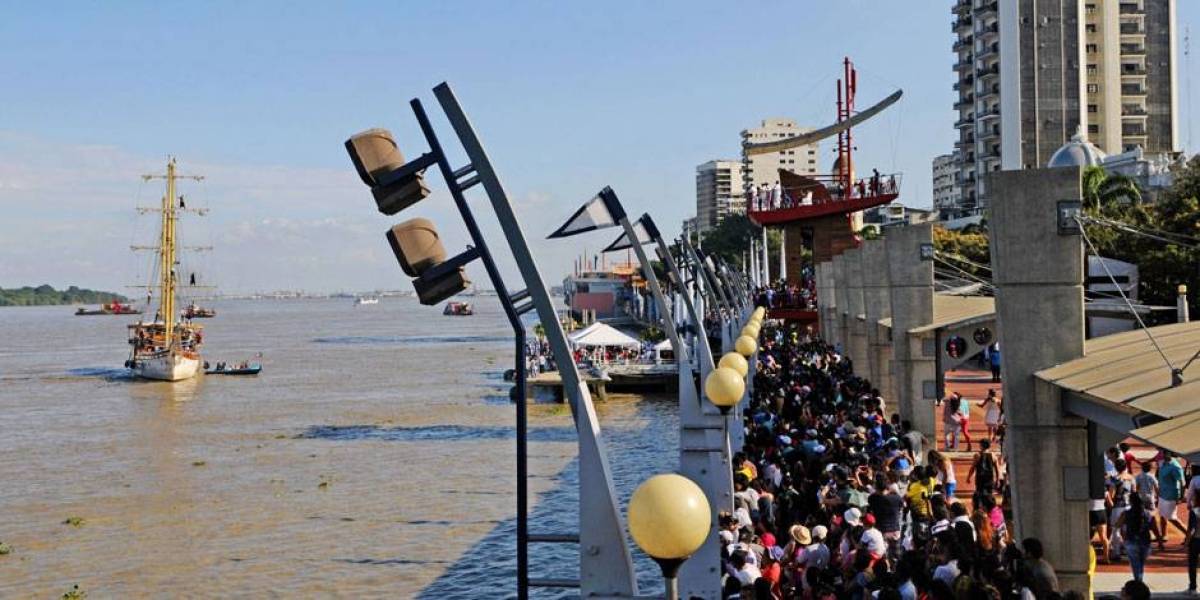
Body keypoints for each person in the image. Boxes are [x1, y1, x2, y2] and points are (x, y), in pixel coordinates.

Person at [1114, 492, 1154, 581]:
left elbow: (1118, 525)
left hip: (1131, 540)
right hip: (1145, 541)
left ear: (1130, 501)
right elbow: (1154, 527)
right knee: (1141, 563)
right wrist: (1159, 541)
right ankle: (1139, 580)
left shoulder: (1126, 513)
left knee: (1135, 564)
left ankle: (1138, 581)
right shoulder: (1147, 513)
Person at [1157, 451, 1188, 548]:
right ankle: (1164, 535)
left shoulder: (1176, 467)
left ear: (1170, 454)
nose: (1163, 454)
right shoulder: (1162, 463)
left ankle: (1188, 534)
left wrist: (1181, 496)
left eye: (1165, 453)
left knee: (1172, 518)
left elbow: (1182, 482)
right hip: (1162, 494)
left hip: (1171, 495)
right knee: (1162, 515)